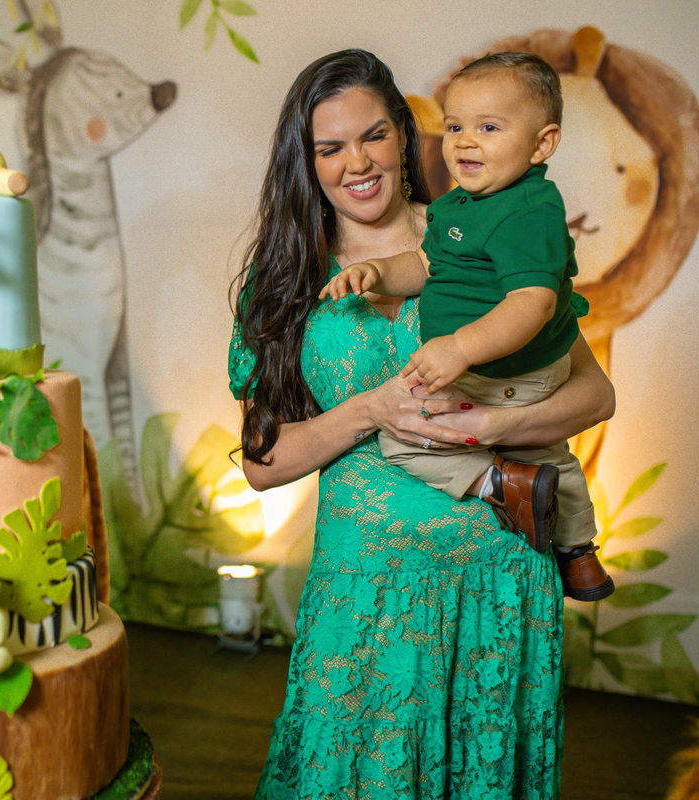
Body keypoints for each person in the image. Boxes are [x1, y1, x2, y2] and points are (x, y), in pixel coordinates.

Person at [228, 49, 615, 798]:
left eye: (374, 135)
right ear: (306, 161)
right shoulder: (286, 277)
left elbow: (595, 396)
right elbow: (262, 464)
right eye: (330, 147)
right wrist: (371, 409)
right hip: (363, 590)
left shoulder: (483, 230)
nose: (357, 162)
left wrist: (483, 428)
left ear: (406, 136)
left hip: (498, 579)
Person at [320, 52, 612, 602]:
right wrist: (378, 272)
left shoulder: (528, 211)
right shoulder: (460, 204)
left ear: (542, 144)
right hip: (488, 373)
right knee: (542, 458)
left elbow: (533, 303)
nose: (465, 142)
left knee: (406, 440)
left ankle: (523, 502)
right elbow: (426, 264)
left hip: (510, 372)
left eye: (489, 128)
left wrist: (460, 347)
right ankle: (573, 549)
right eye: (455, 127)